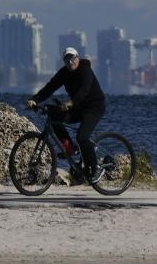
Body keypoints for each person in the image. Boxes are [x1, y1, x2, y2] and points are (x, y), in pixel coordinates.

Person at [25, 47, 106, 183]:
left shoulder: (85, 70)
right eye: (67, 60)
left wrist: (71, 102)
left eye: (72, 58)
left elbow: (84, 91)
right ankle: (70, 148)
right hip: (78, 107)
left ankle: (96, 168)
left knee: (82, 137)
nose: (70, 62)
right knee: (54, 117)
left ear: (78, 58)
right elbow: (49, 87)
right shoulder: (64, 73)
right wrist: (35, 99)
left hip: (94, 107)